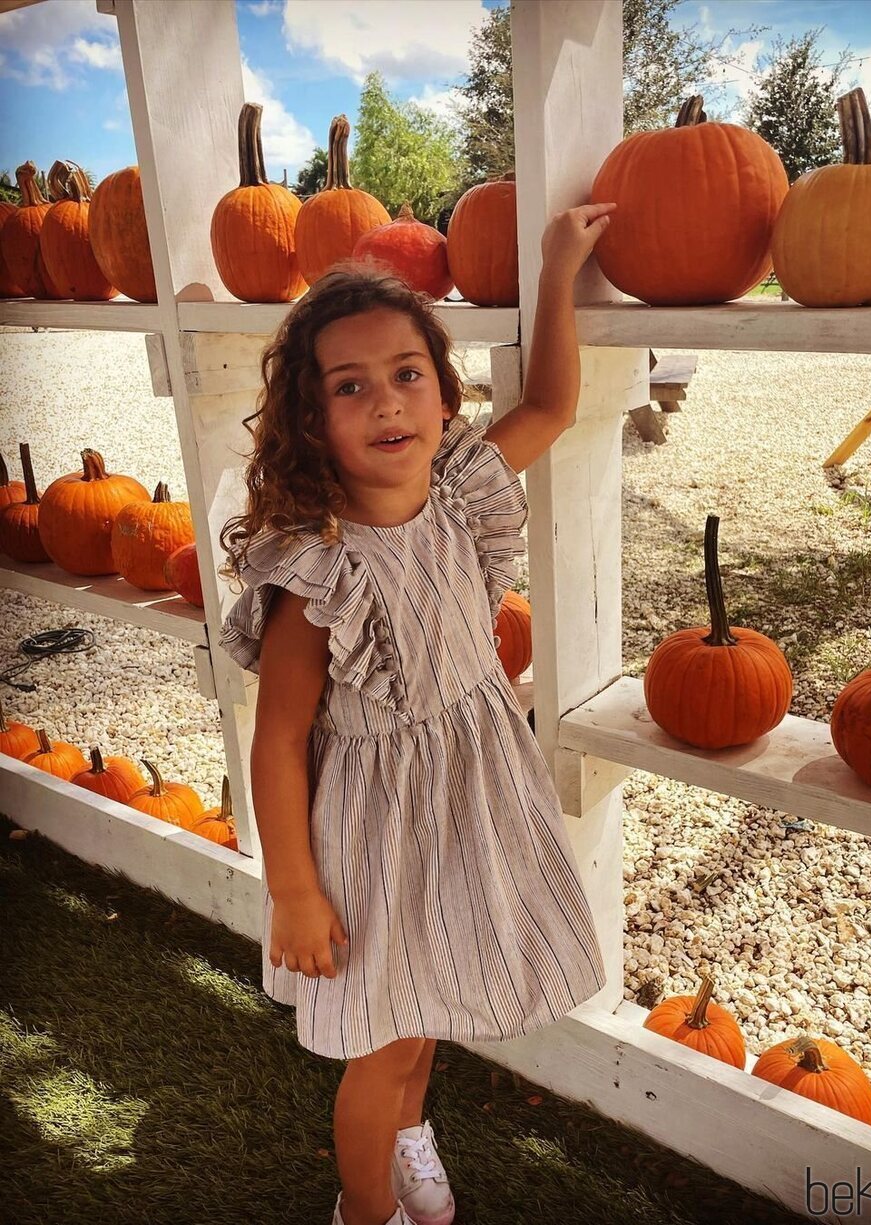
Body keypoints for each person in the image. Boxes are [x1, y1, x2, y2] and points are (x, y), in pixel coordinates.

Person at [218, 200, 616, 1225]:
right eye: (348, 387)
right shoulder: (319, 569)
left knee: (426, 1008)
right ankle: (365, 1209)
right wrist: (293, 893)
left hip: (466, 799)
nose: (385, 402)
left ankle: (407, 1128)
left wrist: (555, 265)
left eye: (405, 373)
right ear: (312, 423)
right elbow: (277, 739)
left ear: (442, 391)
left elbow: (555, 405)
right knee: (382, 1039)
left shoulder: (460, 489)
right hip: (372, 829)